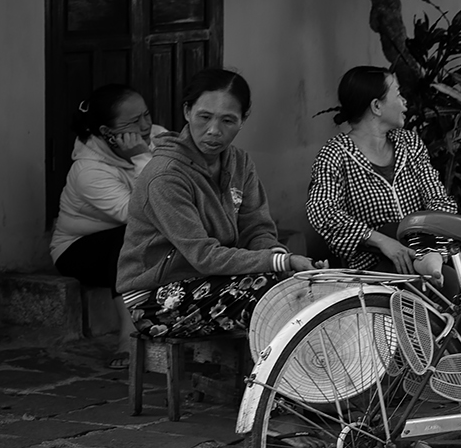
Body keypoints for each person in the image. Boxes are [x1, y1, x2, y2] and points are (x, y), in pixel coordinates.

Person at [116, 69, 315, 339]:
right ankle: (277, 379)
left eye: (228, 120)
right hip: (155, 298)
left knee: (301, 289)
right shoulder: (165, 176)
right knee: (268, 296)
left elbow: (256, 230)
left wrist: (280, 260)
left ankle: (291, 376)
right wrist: (281, 261)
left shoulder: (240, 163)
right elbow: (204, 255)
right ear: (187, 111)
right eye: (204, 117)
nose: (213, 131)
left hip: (214, 281)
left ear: (244, 119)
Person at [50, 85, 174, 365]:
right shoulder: (88, 170)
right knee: (130, 236)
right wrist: (143, 158)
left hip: (137, 239)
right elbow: (138, 214)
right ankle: (127, 337)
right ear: (107, 132)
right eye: (134, 122)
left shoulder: (158, 136)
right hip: (79, 252)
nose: (146, 126)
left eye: (147, 115)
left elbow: (182, 186)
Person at [305, 66, 461, 272]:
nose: (404, 102)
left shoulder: (409, 143)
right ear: (376, 106)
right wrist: (381, 240)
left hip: (426, 248)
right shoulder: (335, 154)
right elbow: (322, 210)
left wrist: (432, 246)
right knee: (451, 285)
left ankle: (434, 261)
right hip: (377, 267)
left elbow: (437, 198)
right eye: (398, 94)